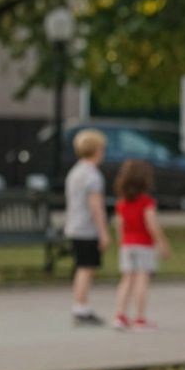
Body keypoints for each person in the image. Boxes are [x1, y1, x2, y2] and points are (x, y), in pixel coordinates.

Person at [112, 159, 172, 331]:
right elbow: (151, 225)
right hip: (144, 245)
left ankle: (120, 316)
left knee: (126, 279)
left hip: (127, 245)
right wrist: (163, 243)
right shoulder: (146, 202)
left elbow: (120, 226)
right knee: (141, 280)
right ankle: (139, 318)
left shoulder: (121, 203)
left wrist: (122, 243)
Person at [63, 128, 110, 326]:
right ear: (97, 150)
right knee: (86, 267)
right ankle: (81, 308)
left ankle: (80, 304)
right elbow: (96, 207)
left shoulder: (76, 171)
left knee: (82, 266)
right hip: (87, 228)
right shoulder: (93, 176)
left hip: (74, 225)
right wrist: (103, 232)